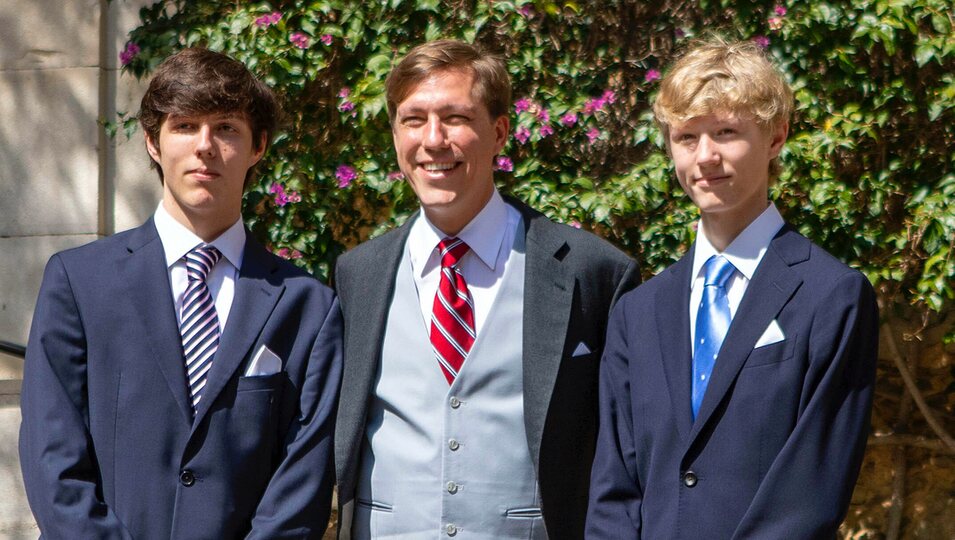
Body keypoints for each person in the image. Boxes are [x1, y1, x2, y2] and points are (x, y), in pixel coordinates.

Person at [19, 48, 342, 539]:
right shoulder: (79, 283)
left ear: (258, 147)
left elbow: (303, 481)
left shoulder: (307, 306)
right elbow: (52, 457)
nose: (205, 146)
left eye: (227, 128)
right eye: (185, 126)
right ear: (153, 142)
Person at [333, 39, 640, 539]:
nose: (433, 140)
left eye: (455, 118)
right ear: (395, 135)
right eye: (413, 120)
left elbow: (623, 450)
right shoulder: (357, 273)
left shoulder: (593, 271)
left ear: (499, 132)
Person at [586, 38, 879, 539]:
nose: (706, 156)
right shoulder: (637, 312)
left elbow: (810, 490)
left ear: (775, 137)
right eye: (686, 137)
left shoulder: (832, 297)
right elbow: (615, 485)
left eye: (726, 132)